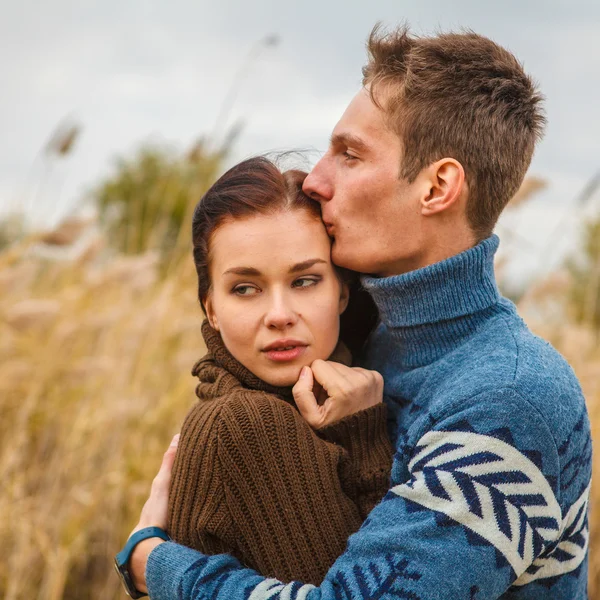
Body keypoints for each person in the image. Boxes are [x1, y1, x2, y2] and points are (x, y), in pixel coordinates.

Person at [120, 24, 592, 599]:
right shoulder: (366, 340)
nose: (316, 180)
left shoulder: (508, 396)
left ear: (437, 186)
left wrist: (154, 563)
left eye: (349, 154)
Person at [166, 156, 392, 585]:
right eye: (245, 289)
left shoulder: (317, 399)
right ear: (211, 309)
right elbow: (384, 589)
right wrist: (365, 441)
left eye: (304, 281)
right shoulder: (246, 423)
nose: (279, 315)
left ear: (342, 292)